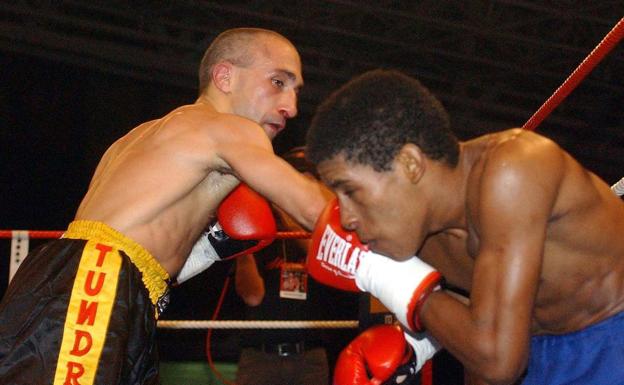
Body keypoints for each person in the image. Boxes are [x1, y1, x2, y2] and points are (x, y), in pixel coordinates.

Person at [0, 27, 327, 385]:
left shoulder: (139, 137)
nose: (291, 107)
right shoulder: (232, 129)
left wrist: (209, 250)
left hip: (99, 285)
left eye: (296, 91)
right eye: (278, 82)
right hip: (95, 282)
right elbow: (311, 208)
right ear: (225, 76)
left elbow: (138, 252)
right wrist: (387, 221)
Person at [304, 69, 624, 385]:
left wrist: (385, 276)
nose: (346, 218)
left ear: (410, 164)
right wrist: (423, 341)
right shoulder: (421, 237)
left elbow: (498, 362)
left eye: (350, 190)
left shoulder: (515, 168)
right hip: (538, 355)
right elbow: (488, 351)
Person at [234, 146, 357, 385]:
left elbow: (317, 252)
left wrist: (289, 209)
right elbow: (252, 296)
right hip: (260, 356)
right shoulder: (260, 230)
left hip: (309, 355)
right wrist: (242, 252)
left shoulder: (327, 229)